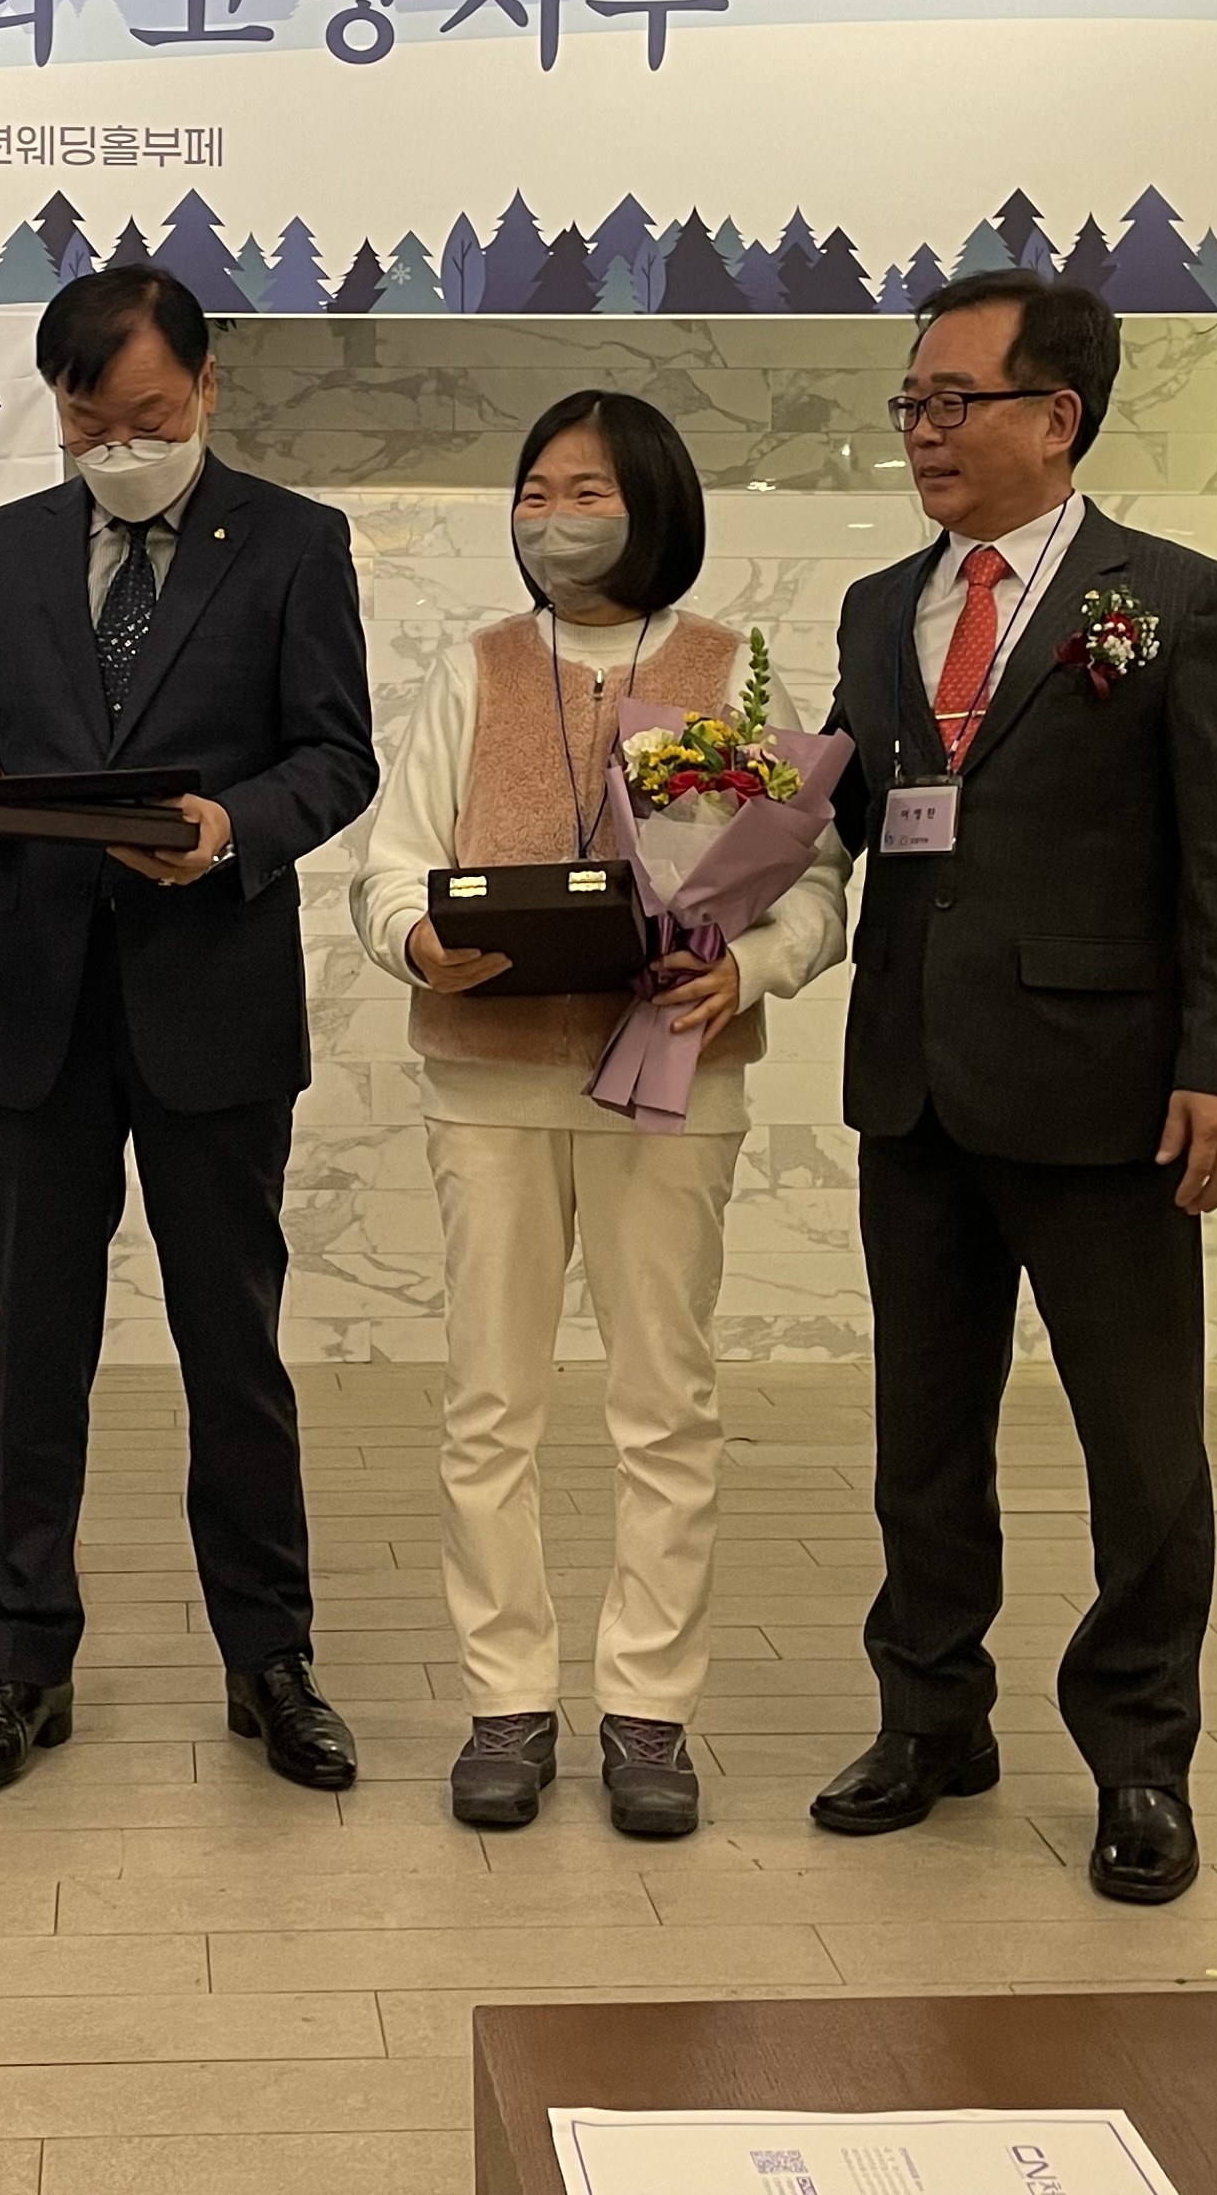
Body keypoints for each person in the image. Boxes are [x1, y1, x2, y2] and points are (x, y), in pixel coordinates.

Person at [809, 269, 1217, 1906]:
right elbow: (844, 811)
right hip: (913, 1087)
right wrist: (701, 850)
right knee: (923, 1436)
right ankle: (931, 1716)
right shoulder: (880, 608)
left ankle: (1142, 1757)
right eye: (913, 405)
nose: (924, 433)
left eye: (955, 402)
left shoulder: (1178, 601)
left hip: (1107, 1094)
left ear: (1057, 417)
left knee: (1141, 1450)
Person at [0, 266, 379, 1800]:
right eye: (88, 421)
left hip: (213, 1001)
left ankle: (270, 1659)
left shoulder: (294, 543)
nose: (119, 446)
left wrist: (229, 828)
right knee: (33, 1350)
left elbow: (337, 756)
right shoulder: (7, 548)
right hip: (38, 1006)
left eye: (149, 416)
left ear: (208, 389)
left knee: (230, 1348)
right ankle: (19, 1666)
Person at [353, 391, 849, 1838]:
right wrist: (416, 940)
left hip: (674, 1083)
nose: (553, 517)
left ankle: (649, 1708)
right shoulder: (479, 667)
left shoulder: (729, 668)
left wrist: (750, 967)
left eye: (587, 492)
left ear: (656, 505)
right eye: (535, 491)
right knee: (490, 1408)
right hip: (490, 1083)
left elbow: (814, 880)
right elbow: (392, 862)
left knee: (665, 1407)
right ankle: (506, 1701)